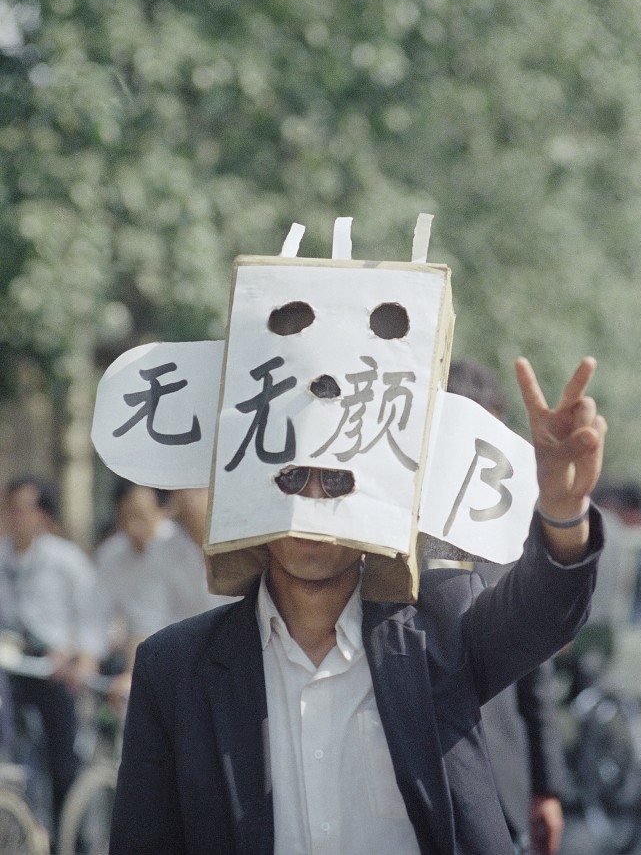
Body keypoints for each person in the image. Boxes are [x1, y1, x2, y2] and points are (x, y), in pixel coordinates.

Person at [109, 355, 606, 854]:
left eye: (338, 480)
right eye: (292, 478)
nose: (314, 501)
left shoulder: (440, 626)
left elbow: (541, 615)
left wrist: (564, 515)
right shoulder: (174, 670)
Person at [446, 358, 569, 855]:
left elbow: (534, 672)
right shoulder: (385, 541)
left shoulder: (507, 539)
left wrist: (547, 786)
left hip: (501, 785)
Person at [0, 475, 103, 828]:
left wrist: (77, 656)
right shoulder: (1, 558)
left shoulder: (65, 560)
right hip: (12, 668)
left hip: (55, 670)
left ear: (43, 515)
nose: (16, 518)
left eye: (25, 509)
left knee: (63, 761)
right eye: (11, 509)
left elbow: (93, 617)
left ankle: (69, 836)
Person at [95, 479, 229, 698]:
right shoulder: (161, 552)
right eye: (184, 490)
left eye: (198, 489)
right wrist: (132, 674)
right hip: (188, 669)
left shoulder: (245, 545)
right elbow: (148, 619)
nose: (190, 499)